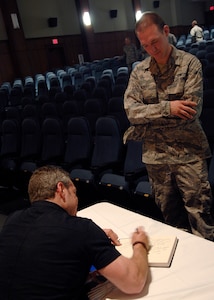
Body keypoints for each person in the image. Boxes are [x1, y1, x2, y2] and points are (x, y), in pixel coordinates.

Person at [124, 11, 214, 241]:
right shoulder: (139, 71)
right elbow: (132, 112)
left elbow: (191, 112)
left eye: (154, 41)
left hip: (189, 154)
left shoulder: (189, 64)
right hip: (157, 158)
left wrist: (149, 118)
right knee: (172, 223)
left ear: (166, 31)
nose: (151, 49)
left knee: (201, 218)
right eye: (145, 45)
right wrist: (169, 108)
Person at [0, 165, 149, 299]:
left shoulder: (12, 220)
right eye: (74, 192)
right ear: (61, 189)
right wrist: (139, 244)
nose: (77, 200)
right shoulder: (82, 229)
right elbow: (134, 282)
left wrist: (89, 245)